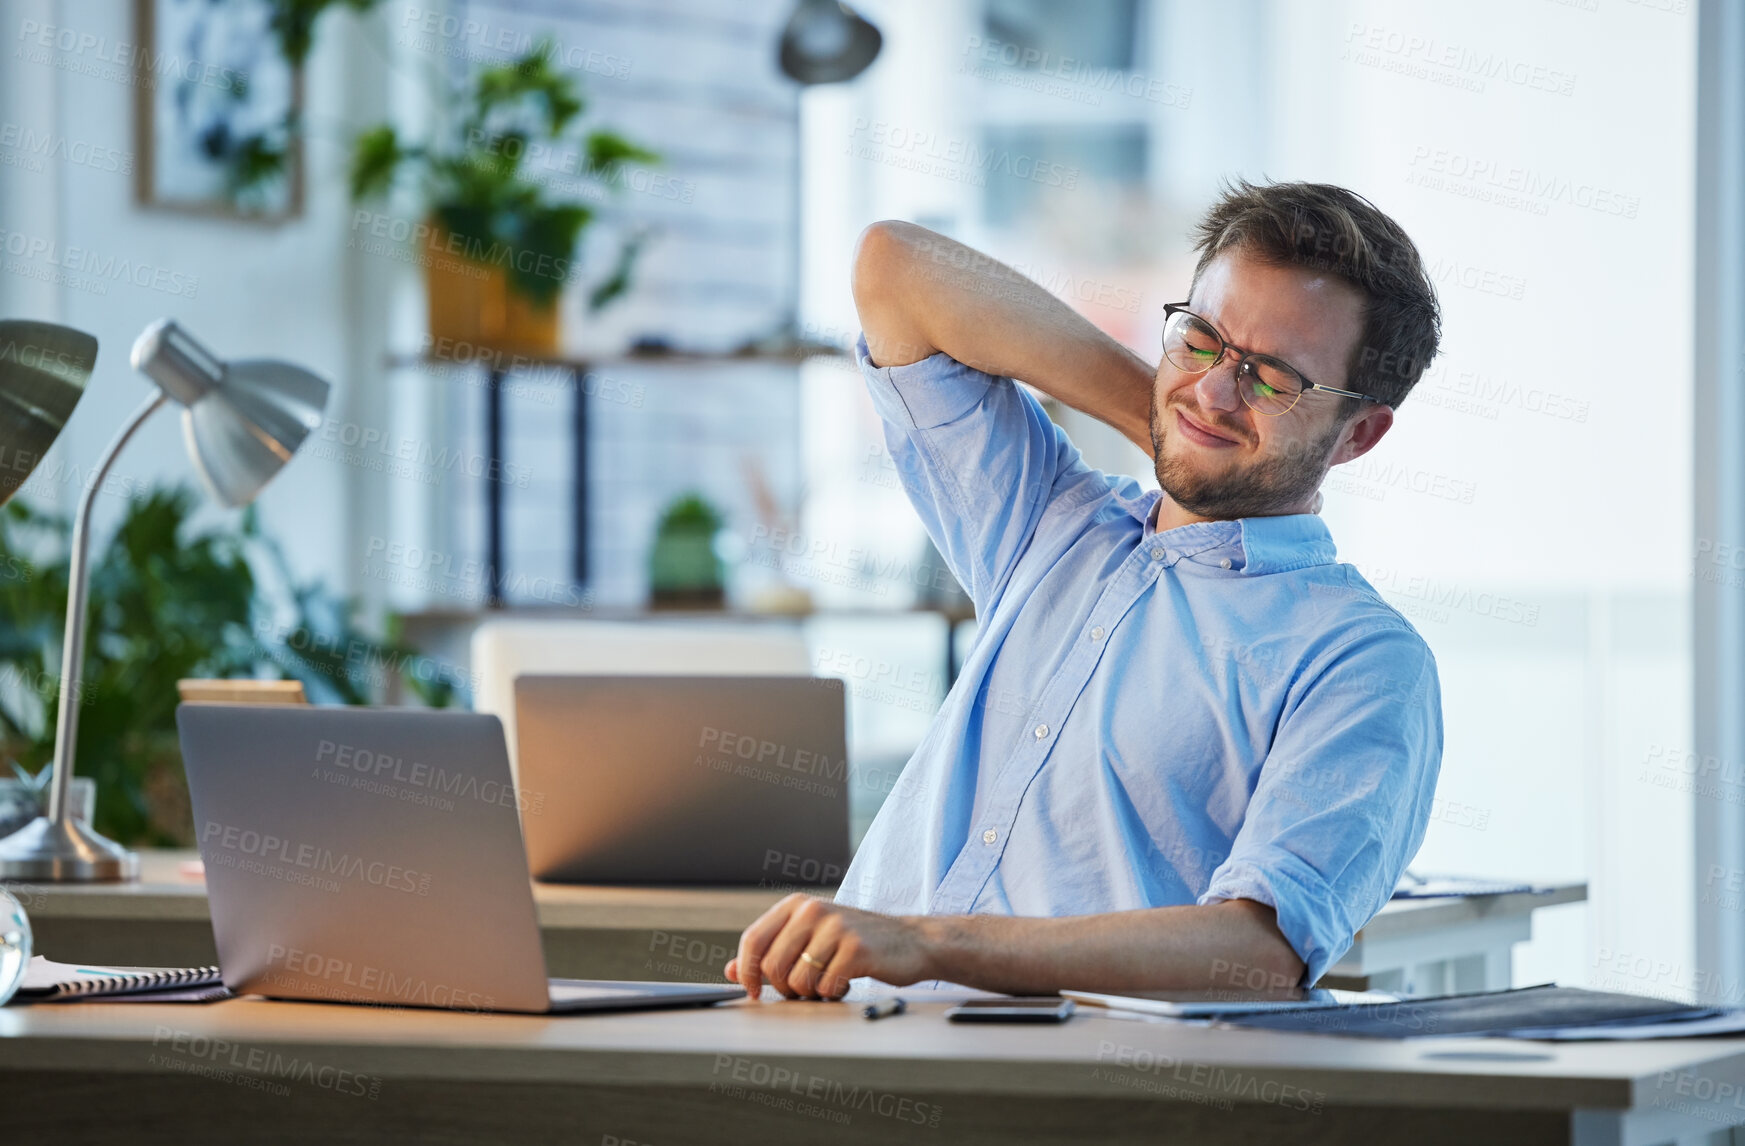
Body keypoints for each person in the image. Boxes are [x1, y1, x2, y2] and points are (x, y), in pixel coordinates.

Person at [726, 180, 1444, 1001]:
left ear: (1357, 433)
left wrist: (930, 944)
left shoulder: (1361, 660)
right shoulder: (1054, 521)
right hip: (842, 1049)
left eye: (1273, 378)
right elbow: (895, 269)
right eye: (1201, 340)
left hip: (1067, 1099)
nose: (1215, 388)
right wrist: (1181, 425)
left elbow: (1256, 952)